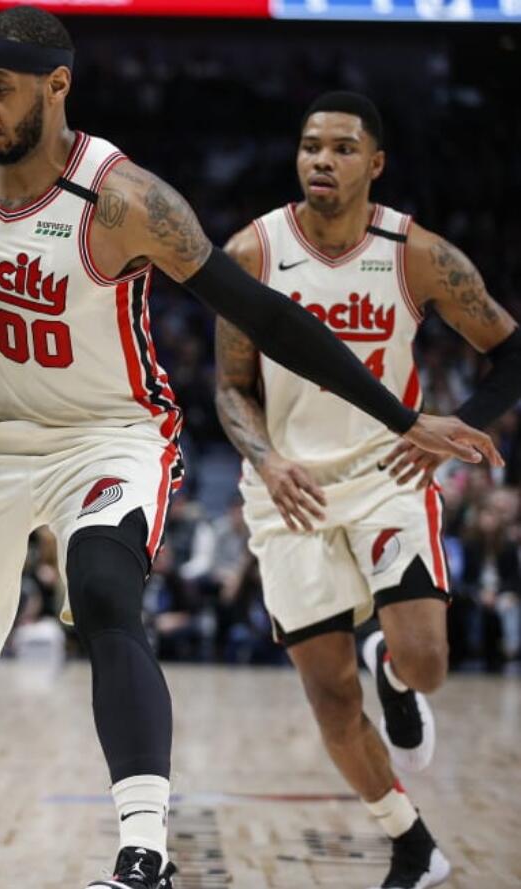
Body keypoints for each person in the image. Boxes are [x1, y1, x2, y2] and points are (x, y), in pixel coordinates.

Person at [0, 11, 501, 889]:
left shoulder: (126, 199)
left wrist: (397, 413)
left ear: (57, 86)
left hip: (109, 434)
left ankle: (142, 851)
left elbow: (263, 315)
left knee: (107, 592)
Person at [214, 91, 520, 889]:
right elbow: (229, 385)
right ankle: (412, 841)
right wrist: (266, 458)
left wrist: (460, 417)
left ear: (375, 164)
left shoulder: (416, 254)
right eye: (311, 145)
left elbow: (512, 350)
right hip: (291, 490)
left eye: (342, 148)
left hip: (389, 471)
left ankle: (396, 671)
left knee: (425, 664)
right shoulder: (252, 250)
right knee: (329, 696)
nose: (322, 158)